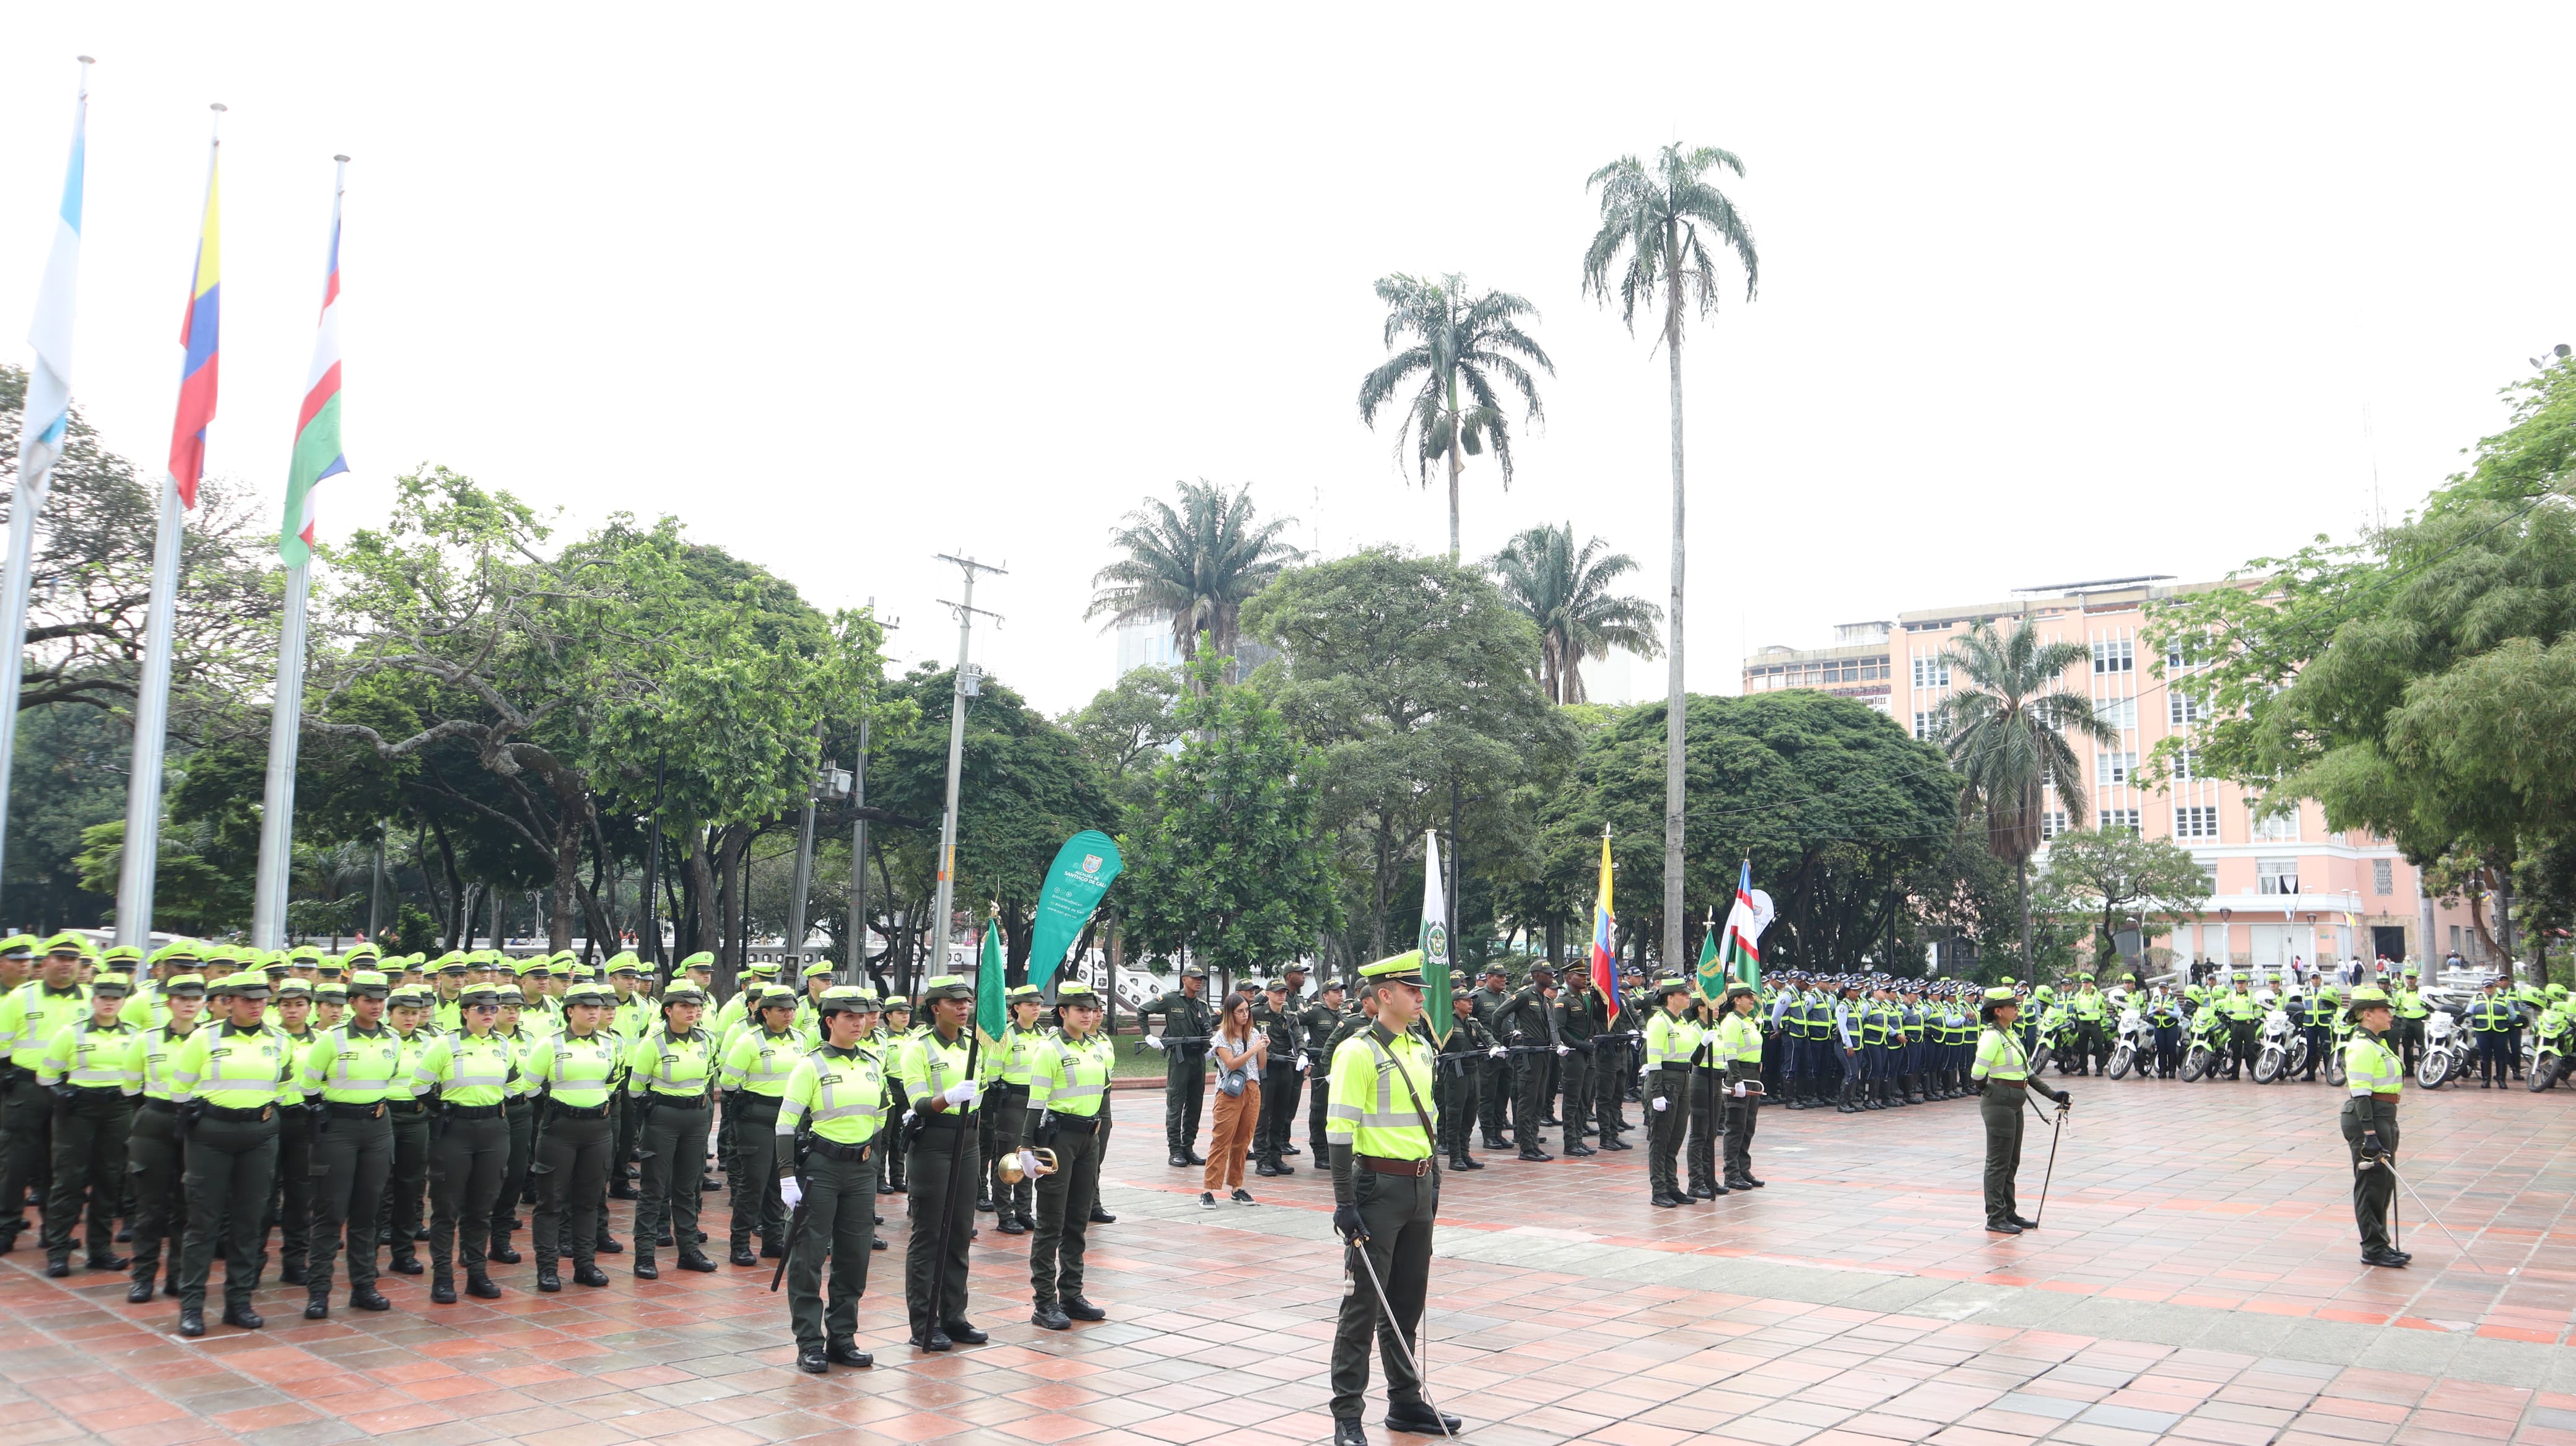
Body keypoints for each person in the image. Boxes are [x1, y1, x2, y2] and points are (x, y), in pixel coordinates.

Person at [1326, 951, 1460, 1446]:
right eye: (1412, 990)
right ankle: (1347, 1414)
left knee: (1406, 1301)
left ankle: (1405, 1402)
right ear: (1385, 995)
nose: (1422, 997)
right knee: (1362, 1304)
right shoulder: (1357, 1051)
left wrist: (1435, 1182)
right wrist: (1345, 1201)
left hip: (1419, 1185)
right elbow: (1339, 1130)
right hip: (1377, 1187)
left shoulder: (1420, 1046)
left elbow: (1429, 1118)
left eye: (1420, 990)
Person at [172, 971, 294, 1336]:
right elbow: (180, 1087)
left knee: (249, 1221)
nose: (256, 1005)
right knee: (203, 1222)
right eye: (247, 999)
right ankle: (191, 1307)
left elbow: (285, 1086)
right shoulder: (203, 1038)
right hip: (211, 1135)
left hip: (259, 1135)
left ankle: (238, 1302)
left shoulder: (279, 1040)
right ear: (229, 1001)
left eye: (261, 999)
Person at [777, 985, 889, 1372]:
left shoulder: (873, 1062)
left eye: (863, 1017)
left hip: (860, 1170)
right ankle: (809, 1342)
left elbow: (880, 1116)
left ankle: (843, 1337)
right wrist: (786, 1176)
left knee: (854, 1257)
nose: (859, 1023)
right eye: (849, 1017)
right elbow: (786, 1124)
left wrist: (871, 1159)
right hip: (820, 1170)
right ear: (830, 1021)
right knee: (808, 1257)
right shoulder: (811, 1065)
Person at [297, 969, 401, 1318]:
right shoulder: (332, 1039)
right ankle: (319, 1292)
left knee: (367, 1211)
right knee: (330, 1211)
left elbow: (392, 1076)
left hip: (377, 1127)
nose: (375, 1006)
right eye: (367, 1000)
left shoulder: (392, 1039)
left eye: (380, 1000)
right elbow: (308, 1085)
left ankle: (364, 1286)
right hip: (338, 1127)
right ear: (352, 1002)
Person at [413, 983, 518, 1303]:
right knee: (446, 1208)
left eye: (493, 1009)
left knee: (482, 1207)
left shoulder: (503, 1044)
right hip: (455, 1130)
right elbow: (419, 1086)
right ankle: (442, 1278)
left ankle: (477, 1273)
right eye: (481, 1009)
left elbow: (513, 1085)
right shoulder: (445, 1044)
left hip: (493, 1128)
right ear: (465, 1013)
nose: (489, 1014)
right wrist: (445, 1109)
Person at [897, 973, 986, 1352]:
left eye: (967, 1002)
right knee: (930, 1233)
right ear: (936, 1008)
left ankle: (954, 1315)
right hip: (933, 1141)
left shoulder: (974, 1046)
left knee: (960, 1231)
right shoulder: (917, 1047)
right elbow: (917, 1102)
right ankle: (925, 1321)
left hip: (968, 1140)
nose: (964, 1008)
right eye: (955, 1003)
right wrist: (947, 1097)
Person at [1025, 980, 1114, 1330]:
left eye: (1091, 1010)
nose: (1088, 1016)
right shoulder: (1050, 1049)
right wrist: (1025, 1147)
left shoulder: (1095, 1047)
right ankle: (1044, 1302)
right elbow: (1035, 1102)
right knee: (1051, 1222)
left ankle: (1072, 1294)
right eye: (1081, 1010)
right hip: (1058, 1139)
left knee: (1078, 1221)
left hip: (1087, 1139)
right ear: (1063, 1012)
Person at [523, 980, 622, 1292]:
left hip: (597, 1128)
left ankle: (585, 1264)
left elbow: (612, 1083)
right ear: (570, 1011)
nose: (594, 1013)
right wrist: (558, 1108)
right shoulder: (550, 1044)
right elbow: (529, 1086)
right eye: (586, 1007)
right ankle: (548, 1269)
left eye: (597, 1007)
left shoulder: (608, 1044)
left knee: (589, 1200)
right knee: (551, 1201)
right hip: (560, 1129)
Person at [37, 970, 135, 1276]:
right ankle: (58, 1250)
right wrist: (60, 1094)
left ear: (123, 1003)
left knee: (108, 1180)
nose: (109, 1004)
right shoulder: (72, 1033)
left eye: (115, 999)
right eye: (104, 998)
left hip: (117, 1111)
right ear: (94, 1000)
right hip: (78, 1111)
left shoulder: (133, 1035)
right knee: (69, 1180)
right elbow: (46, 1075)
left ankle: (100, 1249)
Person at [0, 932, 94, 1255]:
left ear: (80, 964)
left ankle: (54, 1231)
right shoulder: (21, 997)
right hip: (28, 1089)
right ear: (46, 962)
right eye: (60, 959)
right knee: (15, 1163)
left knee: (62, 1167)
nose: (66, 965)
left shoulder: (92, 999)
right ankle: (5, 1227)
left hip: (72, 1090)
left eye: (73, 960)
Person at [628, 980, 719, 1278]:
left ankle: (689, 1250)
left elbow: (709, 1076)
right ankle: (644, 1254)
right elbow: (636, 1088)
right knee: (654, 1188)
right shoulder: (653, 1043)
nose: (692, 1012)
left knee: (687, 1186)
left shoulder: (706, 1039)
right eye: (684, 1006)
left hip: (696, 1118)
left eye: (696, 1007)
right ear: (669, 1011)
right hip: (663, 1118)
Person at [718, 984, 804, 1265]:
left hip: (787, 1117)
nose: (789, 1014)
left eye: (792, 1009)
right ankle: (740, 1243)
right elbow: (728, 1081)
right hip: (756, 1117)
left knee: (779, 1181)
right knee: (753, 1182)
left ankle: (773, 1239)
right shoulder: (749, 1041)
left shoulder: (800, 1039)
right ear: (764, 1012)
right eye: (782, 1010)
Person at [1972, 985, 2068, 1235]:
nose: (2017, 1008)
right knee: (1998, 1162)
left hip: (2015, 1101)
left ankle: (2008, 1211)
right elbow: (1977, 1074)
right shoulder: (1992, 1037)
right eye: (2012, 1005)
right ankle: (1995, 1216)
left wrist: (2052, 1094)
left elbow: (2027, 1073)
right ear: (1998, 1011)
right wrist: (1990, 1090)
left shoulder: (2010, 1035)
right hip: (2000, 1102)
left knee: (2011, 1161)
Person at [2339, 986, 2409, 1268]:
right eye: (2384, 1010)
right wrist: (2370, 1134)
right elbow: (2361, 1094)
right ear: (2367, 1015)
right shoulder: (2361, 1046)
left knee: (2384, 1183)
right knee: (2371, 1184)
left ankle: (2381, 1242)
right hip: (2367, 1118)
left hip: (2384, 1116)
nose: (2390, 1015)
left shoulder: (2378, 1042)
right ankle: (2372, 1248)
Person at [1133, 966, 1213, 1168]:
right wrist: (1148, 1035)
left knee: (1195, 1104)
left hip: (1198, 1058)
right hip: (1180, 1057)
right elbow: (1143, 1010)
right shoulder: (1171, 999)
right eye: (1195, 978)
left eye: (1201, 979)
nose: (1199, 982)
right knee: (1176, 1103)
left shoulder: (1202, 1005)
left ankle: (1188, 1147)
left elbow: (1212, 1025)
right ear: (1184, 979)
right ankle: (1175, 1150)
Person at [981, 985, 1045, 1232]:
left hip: (1037, 1102)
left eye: (1039, 1004)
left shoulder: (1044, 1035)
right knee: (1009, 1158)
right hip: (1012, 1102)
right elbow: (992, 1072)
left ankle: (1024, 1211)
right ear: (1017, 1008)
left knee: (1030, 1157)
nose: (1036, 1008)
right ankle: (1005, 1214)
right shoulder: (1005, 1036)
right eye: (1030, 1005)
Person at [1201, 992, 1266, 1208]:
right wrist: (1254, 1049)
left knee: (1243, 1142)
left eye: (1247, 1010)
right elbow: (1231, 1064)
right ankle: (1208, 1190)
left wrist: (1263, 1047)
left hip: (1252, 1088)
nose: (1245, 1015)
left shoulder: (1254, 1033)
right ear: (1230, 1013)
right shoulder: (1222, 1037)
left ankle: (1237, 1187)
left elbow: (1261, 1065)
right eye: (1240, 1011)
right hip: (1230, 1093)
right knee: (1222, 1140)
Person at [1642, 978, 1695, 1208]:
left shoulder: (1682, 1021)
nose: (1688, 997)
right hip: (1665, 1082)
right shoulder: (1659, 1022)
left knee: (1676, 1138)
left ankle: (1672, 1186)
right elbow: (1653, 1061)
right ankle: (1659, 1189)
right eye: (1683, 994)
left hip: (1683, 1080)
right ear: (1670, 997)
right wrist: (1656, 1094)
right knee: (1661, 1140)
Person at [1434, 990, 1492, 1172]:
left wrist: (1495, 1046)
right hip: (1454, 1074)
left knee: (1470, 1114)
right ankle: (1455, 1156)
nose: (1471, 1003)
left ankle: (1465, 1153)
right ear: (1455, 1004)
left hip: (1473, 1072)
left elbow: (1486, 1036)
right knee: (1455, 1116)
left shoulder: (1473, 1022)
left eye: (1471, 1001)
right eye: (1466, 1001)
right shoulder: (1447, 1023)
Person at [1251, 978, 1302, 1177]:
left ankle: (1276, 1157)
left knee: (1281, 1114)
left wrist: (1303, 1052)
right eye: (1277, 992)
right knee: (1263, 1114)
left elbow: (1298, 1036)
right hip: (1266, 1069)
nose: (1281, 995)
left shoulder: (1290, 1015)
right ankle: (1262, 1160)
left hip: (1285, 1067)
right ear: (1268, 994)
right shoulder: (1256, 1013)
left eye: (1283, 992)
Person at [1465, 965, 1515, 1148]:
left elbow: (1512, 1022)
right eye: (1499, 977)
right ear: (1488, 977)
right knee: (1488, 1096)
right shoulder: (1478, 998)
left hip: (1507, 1053)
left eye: (1504, 977)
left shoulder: (1507, 997)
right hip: (1488, 1055)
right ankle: (1488, 1135)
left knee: (1503, 1094)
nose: (1503, 980)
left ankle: (1498, 1132)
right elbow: (1468, 1023)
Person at [1554, 970, 1603, 1156]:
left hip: (1587, 1053)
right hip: (1573, 1054)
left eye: (1585, 976)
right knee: (1572, 1100)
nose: (1585, 979)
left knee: (1585, 1098)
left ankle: (1579, 1138)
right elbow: (1559, 1029)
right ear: (1568, 978)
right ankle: (1570, 1142)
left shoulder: (1586, 999)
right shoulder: (1563, 1000)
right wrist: (1578, 1045)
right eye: (1580, 976)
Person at [2468, 978, 2517, 1089]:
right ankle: (2486, 1080)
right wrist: (2474, 1020)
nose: (2489, 989)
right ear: (2483, 988)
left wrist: (2507, 1023)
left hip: (2500, 1031)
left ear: (2495, 987)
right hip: (2482, 1031)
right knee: (2485, 1056)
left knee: (2501, 1056)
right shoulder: (2476, 998)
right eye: (2486, 987)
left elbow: (2513, 1015)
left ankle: (2501, 1080)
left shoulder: (2504, 999)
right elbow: (2469, 1013)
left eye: (2491, 987)